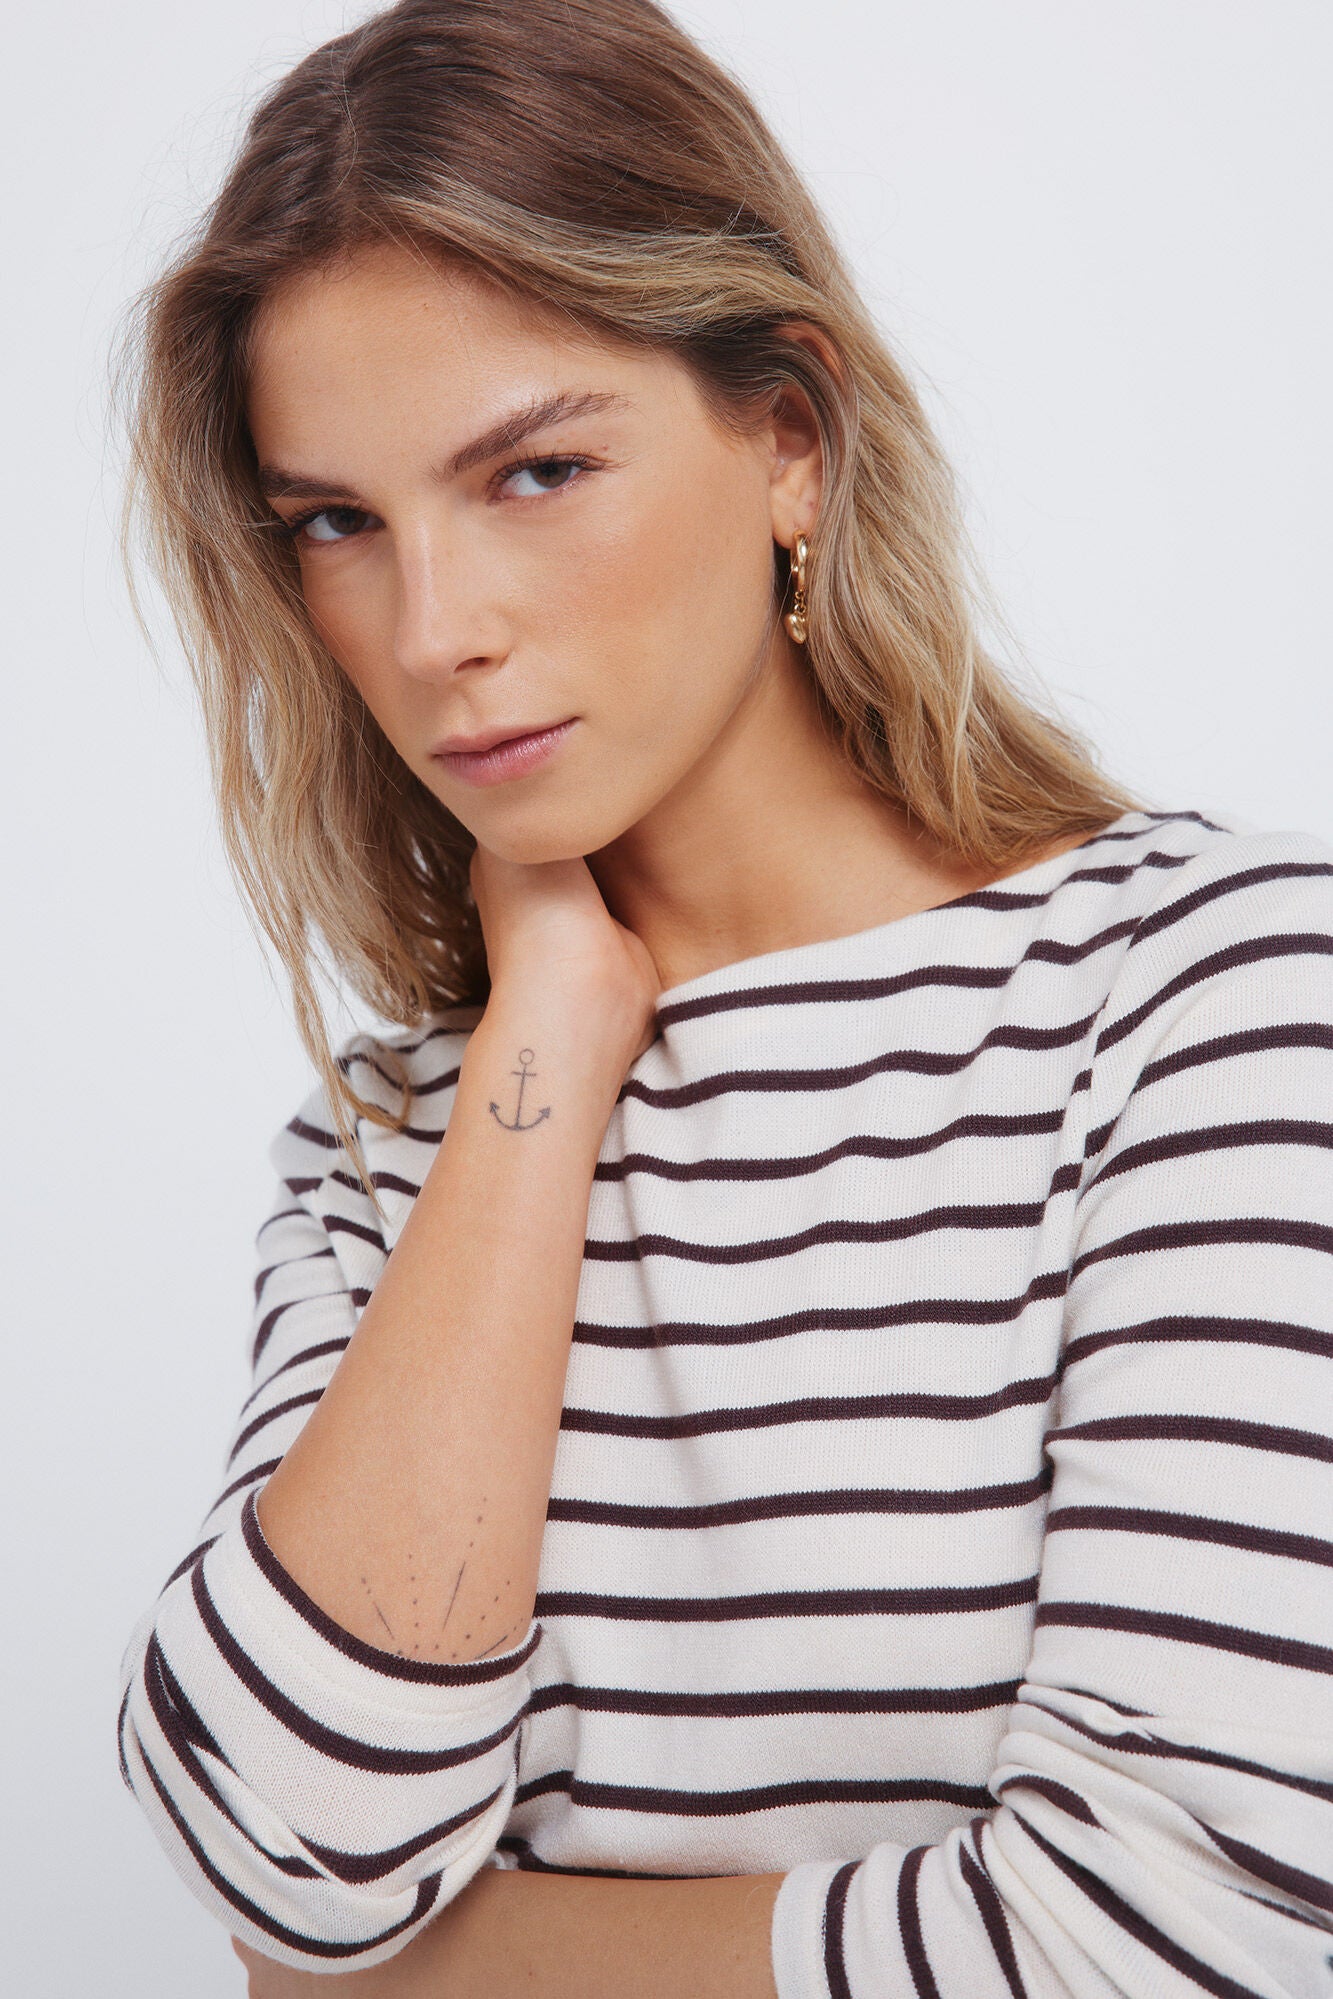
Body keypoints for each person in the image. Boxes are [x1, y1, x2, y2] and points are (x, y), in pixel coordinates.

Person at [114, 1, 1333, 1993]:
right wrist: (544, 1031)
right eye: (337, 522)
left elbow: (1162, 1941)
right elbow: (290, 1854)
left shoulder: (1213, 999)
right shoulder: (385, 1149)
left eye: (534, 471)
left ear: (789, 440)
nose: (433, 631)